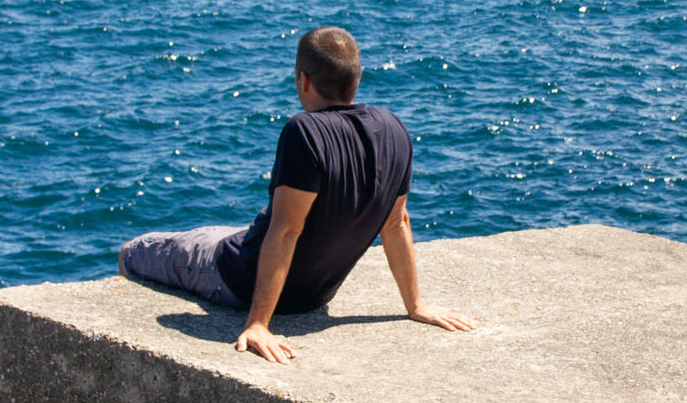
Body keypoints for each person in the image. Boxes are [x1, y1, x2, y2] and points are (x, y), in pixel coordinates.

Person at [119, 25, 477, 364]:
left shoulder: (304, 131)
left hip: (233, 276)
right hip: (314, 296)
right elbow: (396, 222)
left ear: (303, 80)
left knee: (136, 251)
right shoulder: (394, 128)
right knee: (230, 231)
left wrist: (259, 323)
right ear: (357, 78)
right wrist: (415, 306)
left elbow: (287, 230)